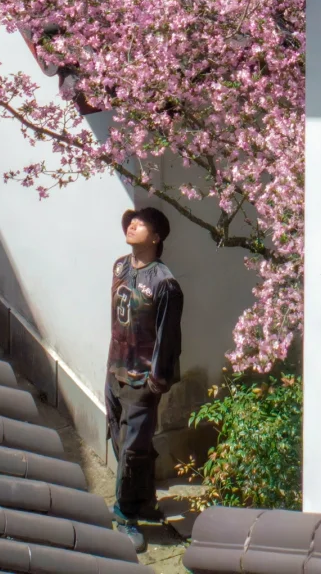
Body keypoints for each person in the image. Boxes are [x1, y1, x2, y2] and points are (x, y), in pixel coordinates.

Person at [105, 206, 184, 543]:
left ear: (156, 237)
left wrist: (157, 381)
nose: (133, 225)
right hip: (115, 368)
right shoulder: (120, 266)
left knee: (133, 449)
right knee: (121, 438)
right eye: (131, 221)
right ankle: (146, 498)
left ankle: (125, 514)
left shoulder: (165, 283)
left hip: (143, 378)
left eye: (142, 224)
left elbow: (169, 338)